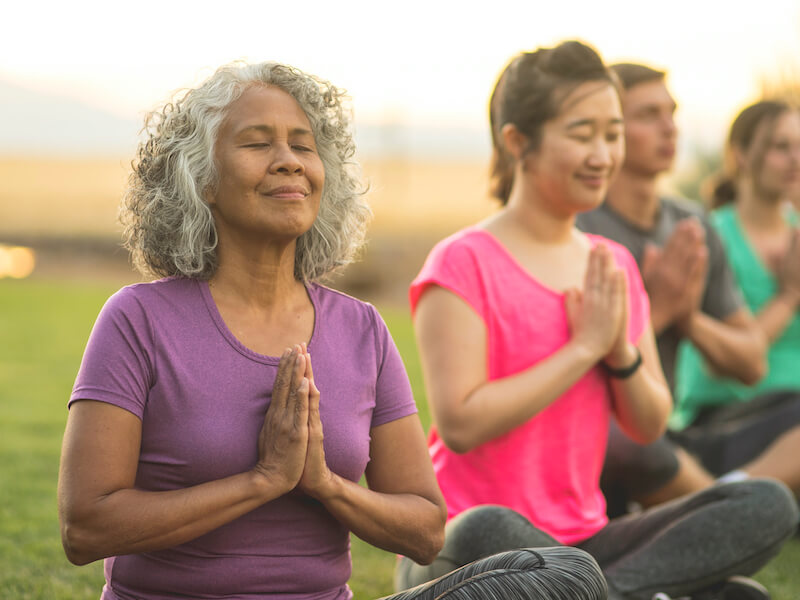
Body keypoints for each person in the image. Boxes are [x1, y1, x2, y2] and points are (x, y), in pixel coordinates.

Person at [57, 61, 608, 600]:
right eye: (256, 143)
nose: (289, 162)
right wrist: (262, 480)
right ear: (200, 180)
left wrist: (323, 484)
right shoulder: (138, 320)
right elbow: (86, 527)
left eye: (303, 145)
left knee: (565, 575)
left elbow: (424, 530)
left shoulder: (361, 328)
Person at [398, 41, 798, 600]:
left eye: (611, 134)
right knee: (491, 525)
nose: (603, 154)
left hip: (589, 538)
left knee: (765, 504)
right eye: (582, 134)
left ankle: (590, 590)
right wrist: (582, 349)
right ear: (518, 142)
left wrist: (623, 356)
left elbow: (650, 425)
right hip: (470, 547)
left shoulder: (612, 266)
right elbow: (462, 423)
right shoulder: (463, 261)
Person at [575, 63, 771, 513]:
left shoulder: (691, 224)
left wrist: (690, 320)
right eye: (648, 115)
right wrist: (657, 310)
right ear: (610, 131)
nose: (670, 128)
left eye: (672, 113)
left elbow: (751, 363)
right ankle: (730, 510)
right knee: (629, 445)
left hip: (669, 433)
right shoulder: (580, 226)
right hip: (605, 439)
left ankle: (714, 500)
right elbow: (577, 376)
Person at [670, 100, 800, 493]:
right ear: (740, 155)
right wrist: (790, 294)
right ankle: (719, 499)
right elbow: (730, 361)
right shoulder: (708, 237)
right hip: (728, 418)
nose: (796, 159)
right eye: (781, 147)